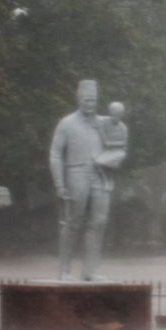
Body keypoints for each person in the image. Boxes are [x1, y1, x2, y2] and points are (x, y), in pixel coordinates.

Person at [49, 79, 113, 281]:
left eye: (93, 100)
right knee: (73, 222)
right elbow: (56, 153)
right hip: (76, 173)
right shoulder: (67, 123)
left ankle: (89, 271)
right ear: (78, 99)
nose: (90, 104)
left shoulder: (103, 123)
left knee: (99, 222)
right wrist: (59, 183)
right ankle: (65, 270)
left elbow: (118, 144)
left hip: (100, 174)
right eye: (86, 99)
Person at [96, 102, 128, 171]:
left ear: (121, 115)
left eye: (118, 116)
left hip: (114, 153)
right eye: (113, 115)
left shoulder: (123, 128)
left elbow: (124, 147)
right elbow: (105, 143)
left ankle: (104, 164)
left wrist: (111, 144)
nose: (115, 118)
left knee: (122, 154)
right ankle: (101, 164)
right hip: (102, 150)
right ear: (110, 113)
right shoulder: (103, 121)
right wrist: (119, 144)